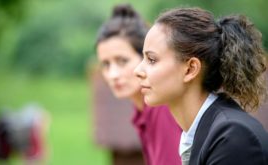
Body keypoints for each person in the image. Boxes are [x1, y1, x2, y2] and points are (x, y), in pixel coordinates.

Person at [135, 7, 268, 165]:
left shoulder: (232, 137)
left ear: (190, 69)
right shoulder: (202, 133)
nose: (138, 71)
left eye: (151, 60)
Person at [96, 4, 182, 165]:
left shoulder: (160, 108)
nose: (113, 75)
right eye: (106, 64)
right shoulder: (142, 109)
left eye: (122, 61)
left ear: (146, 58)